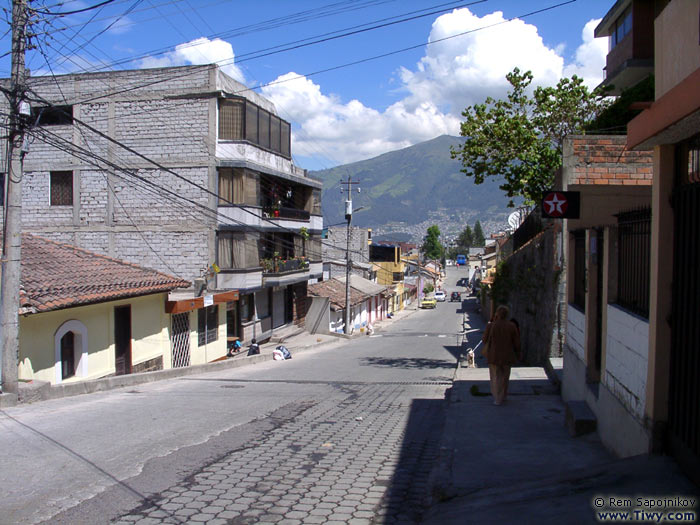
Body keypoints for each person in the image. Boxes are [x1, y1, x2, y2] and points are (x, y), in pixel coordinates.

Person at [482, 305, 521, 405]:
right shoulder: (511, 326)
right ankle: (503, 396)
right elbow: (516, 342)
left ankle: (497, 398)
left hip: (494, 355)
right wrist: (518, 353)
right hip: (507, 355)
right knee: (505, 377)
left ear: (497, 314)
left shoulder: (491, 326)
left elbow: (484, 340)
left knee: (495, 377)